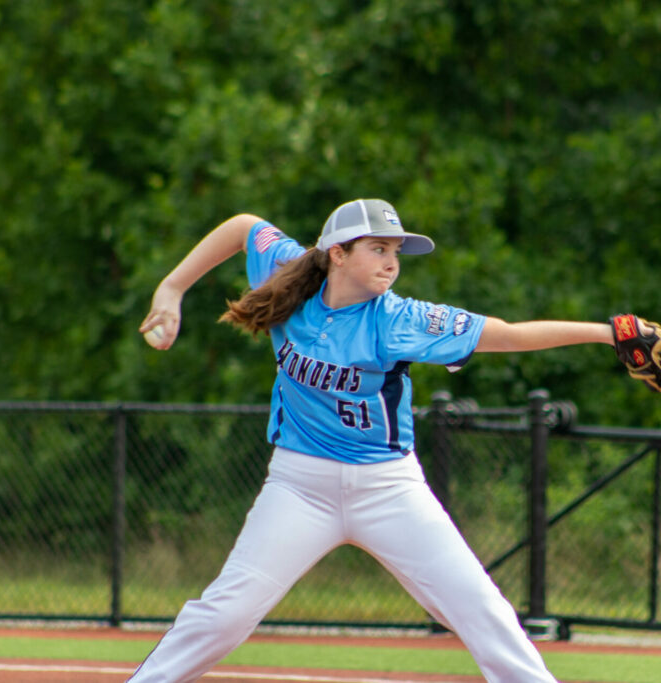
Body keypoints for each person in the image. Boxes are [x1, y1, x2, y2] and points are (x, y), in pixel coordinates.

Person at [132, 198, 624, 682]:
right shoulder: (288, 271)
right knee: (224, 614)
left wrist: (611, 335)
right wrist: (171, 289)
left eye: (396, 252)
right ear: (338, 253)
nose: (391, 262)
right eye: (379, 248)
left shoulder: (400, 319)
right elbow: (243, 225)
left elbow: (511, 335)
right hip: (298, 487)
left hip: (387, 489)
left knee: (480, 608)